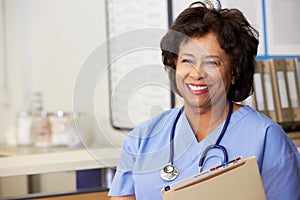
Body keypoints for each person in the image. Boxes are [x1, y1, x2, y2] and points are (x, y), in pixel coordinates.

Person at [108, 1, 300, 200]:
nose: (197, 73)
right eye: (187, 60)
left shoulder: (267, 138)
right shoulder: (141, 139)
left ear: (234, 72)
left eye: (211, 62)